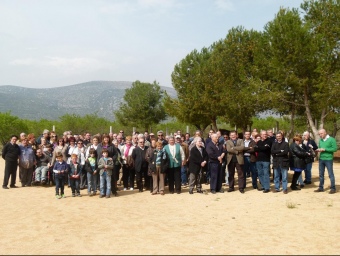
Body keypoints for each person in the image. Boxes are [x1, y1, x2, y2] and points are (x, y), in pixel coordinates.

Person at [314, 129, 338, 194]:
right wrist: (318, 150)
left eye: (321, 134)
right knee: (321, 174)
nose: (320, 135)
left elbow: (335, 149)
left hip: (328, 159)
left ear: (325, 133)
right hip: (321, 159)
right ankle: (320, 187)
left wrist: (325, 149)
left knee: (330, 174)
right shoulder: (321, 140)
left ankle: (333, 188)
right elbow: (320, 147)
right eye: (319, 134)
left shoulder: (331, 139)